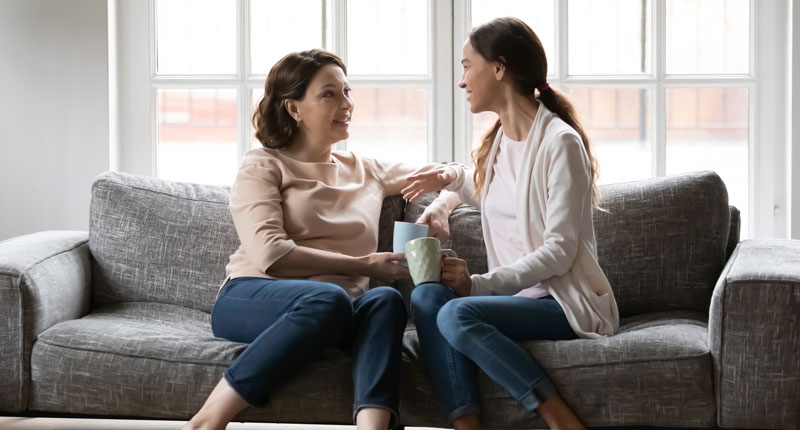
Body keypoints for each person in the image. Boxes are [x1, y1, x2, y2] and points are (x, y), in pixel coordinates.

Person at [182, 49, 459, 430]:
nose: (347, 104)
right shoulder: (263, 164)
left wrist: (442, 205)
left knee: (385, 299)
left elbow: (457, 173)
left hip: (339, 311)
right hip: (253, 296)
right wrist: (363, 265)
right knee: (330, 299)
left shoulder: (366, 170)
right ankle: (206, 421)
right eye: (330, 94)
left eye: (347, 92)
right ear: (294, 109)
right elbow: (272, 255)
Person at [401, 17, 620, 430]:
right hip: (520, 300)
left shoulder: (560, 143)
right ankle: (468, 425)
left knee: (456, 315)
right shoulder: (501, 140)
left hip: (562, 303)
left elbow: (559, 251)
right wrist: (448, 187)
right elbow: (490, 192)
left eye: (467, 66)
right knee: (427, 298)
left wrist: (478, 285)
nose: (462, 81)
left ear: (499, 68)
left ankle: (561, 420)